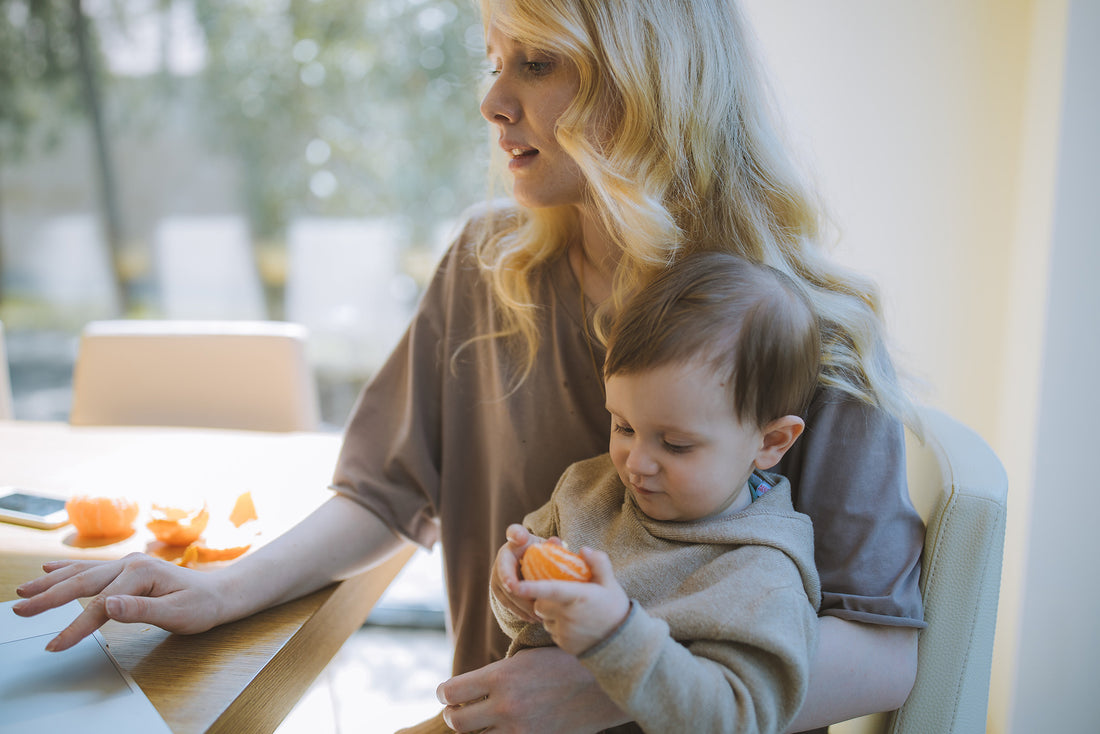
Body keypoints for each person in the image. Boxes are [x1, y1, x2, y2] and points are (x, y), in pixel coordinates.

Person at [13, 0, 926, 732]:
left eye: (538, 62)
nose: (494, 101)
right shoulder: (489, 267)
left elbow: (884, 649)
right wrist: (221, 588)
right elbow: (382, 494)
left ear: (648, 83)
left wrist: (610, 690)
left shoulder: (808, 328)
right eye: (495, 59)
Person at [489, 252, 823, 734]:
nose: (635, 463)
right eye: (623, 426)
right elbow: (524, 623)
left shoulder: (760, 574)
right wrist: (512, 588)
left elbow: (735, 719)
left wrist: (615, 636)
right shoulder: (587, 490)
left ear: (770, 442)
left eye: (676, 444)